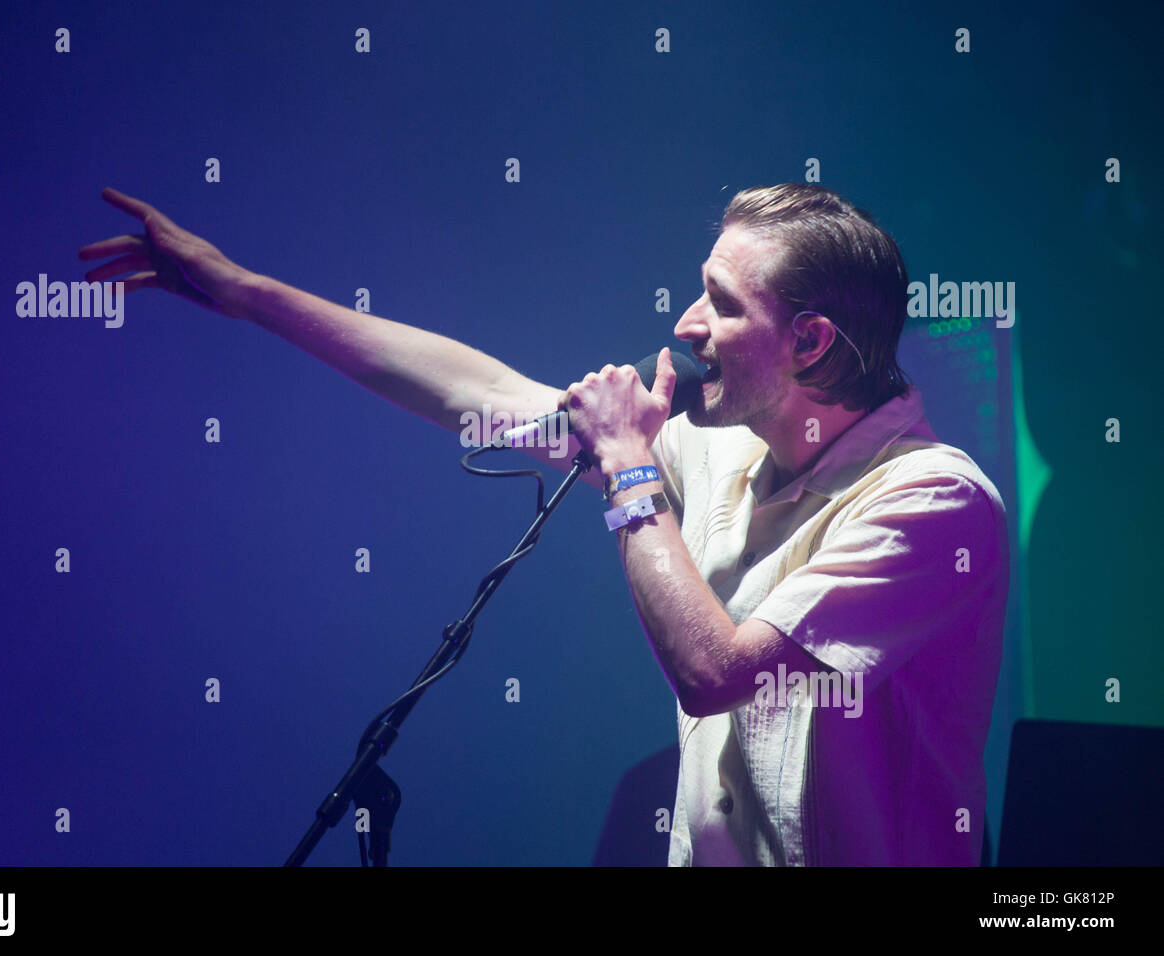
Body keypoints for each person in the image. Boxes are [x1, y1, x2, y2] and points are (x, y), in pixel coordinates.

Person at [79, 182, 1008, 866]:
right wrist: (245, 293)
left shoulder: (929, 502)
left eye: (722, 305)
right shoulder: (723, 450)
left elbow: (718, 673)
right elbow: (476, 394)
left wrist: (631, 469)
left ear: (809, 342)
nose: (685, 324)